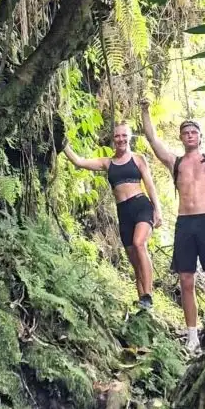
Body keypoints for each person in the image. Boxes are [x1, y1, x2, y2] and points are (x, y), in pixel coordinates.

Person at [140, 93, 205, 352]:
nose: (190, 135)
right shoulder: (175, 162)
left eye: (194, 132)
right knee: (186, 280)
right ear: (181, 137)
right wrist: (145, 111)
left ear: (199, 136)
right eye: (186, 132)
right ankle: (192, 337)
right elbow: (153, 140)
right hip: (184, 223)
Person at [63, 122, 162, 309]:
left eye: (124, 135)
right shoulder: (107, 163)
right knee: (134, 259)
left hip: (141, 206)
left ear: (130, 137)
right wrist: (63, 143)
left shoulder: (139, 159)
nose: (121, 139)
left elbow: (149, 185)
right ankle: (143, 304)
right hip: (123, 211)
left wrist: (158, 209)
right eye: (117, 136)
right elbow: (79, 161)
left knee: (140, 243)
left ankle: (148, 295)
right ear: (113, 139)